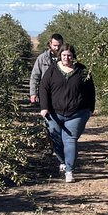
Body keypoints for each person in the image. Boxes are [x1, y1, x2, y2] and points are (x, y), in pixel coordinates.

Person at [38, 44, 95, 183]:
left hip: (77, 113)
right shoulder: (52, 70)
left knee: (70, 140)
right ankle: (62, 161)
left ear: (73, 56)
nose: (66, 58)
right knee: (56, 139)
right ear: (60, 56)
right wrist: (44, 107)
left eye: (69, 55)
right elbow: (43, 88)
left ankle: (69, 170)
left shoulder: (82, 70)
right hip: (54, 113)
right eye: (64, 55)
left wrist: (90, 109)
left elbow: (90, 91)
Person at [29, 33, 65, 168]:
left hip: (63, 94)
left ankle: (62, 146)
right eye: (55, 45)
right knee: (48, 122)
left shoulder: (67, 56)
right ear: (50, 44)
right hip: (46, 95)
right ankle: (52, 146)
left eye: (59, 45)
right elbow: (35, 76)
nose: (57, 48)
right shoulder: (42, 58)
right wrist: (33, 93)